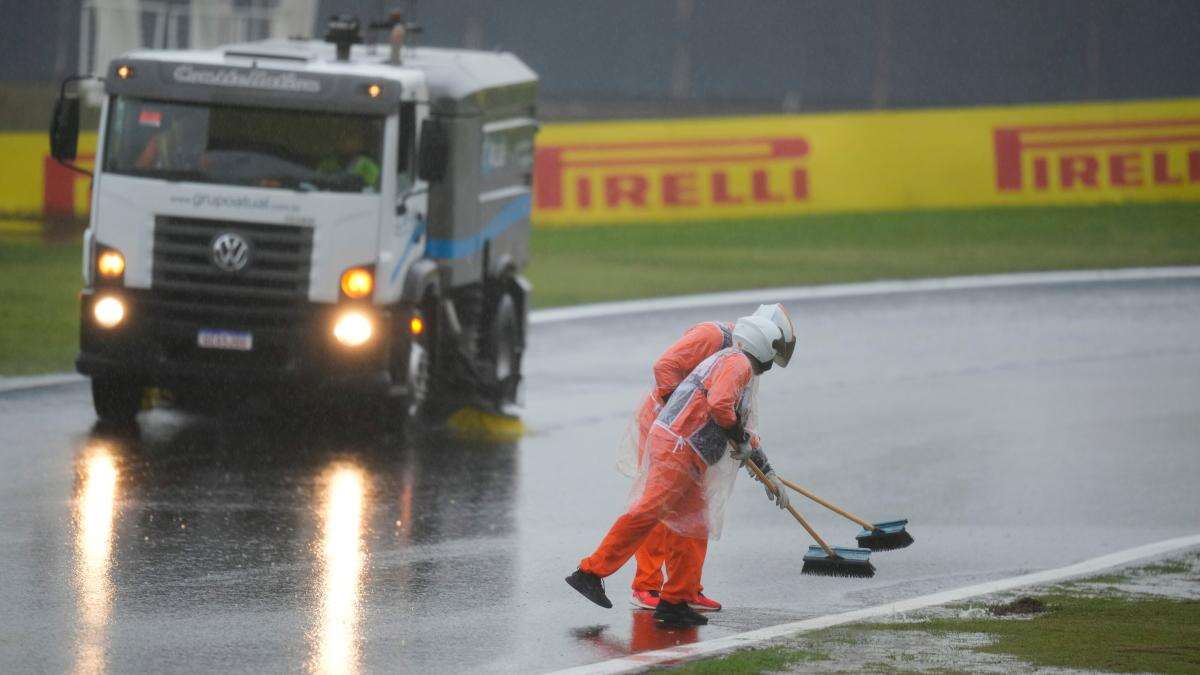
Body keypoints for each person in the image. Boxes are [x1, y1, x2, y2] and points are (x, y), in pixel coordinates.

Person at [568, 314, 793, 628]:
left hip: (686, 451)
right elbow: (720, 405)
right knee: (647, 513)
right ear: (765, 347)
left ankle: (675, 600)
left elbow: (734, 416)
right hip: (678, 449)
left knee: (693, 524)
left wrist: (768, 472)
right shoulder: (737, 364)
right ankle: (589, 572)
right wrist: (740, 437)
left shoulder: (733, 361)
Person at [627, 304, 796, 613]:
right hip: (664, 427)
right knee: (659, 504)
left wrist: (767, 471)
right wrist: (680, 418)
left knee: (695, 513)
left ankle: (686, 588)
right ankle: (646, 586)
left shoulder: (748, 361)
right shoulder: (713, 336)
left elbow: (743, 420)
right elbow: (663, 367)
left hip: (694, 438)